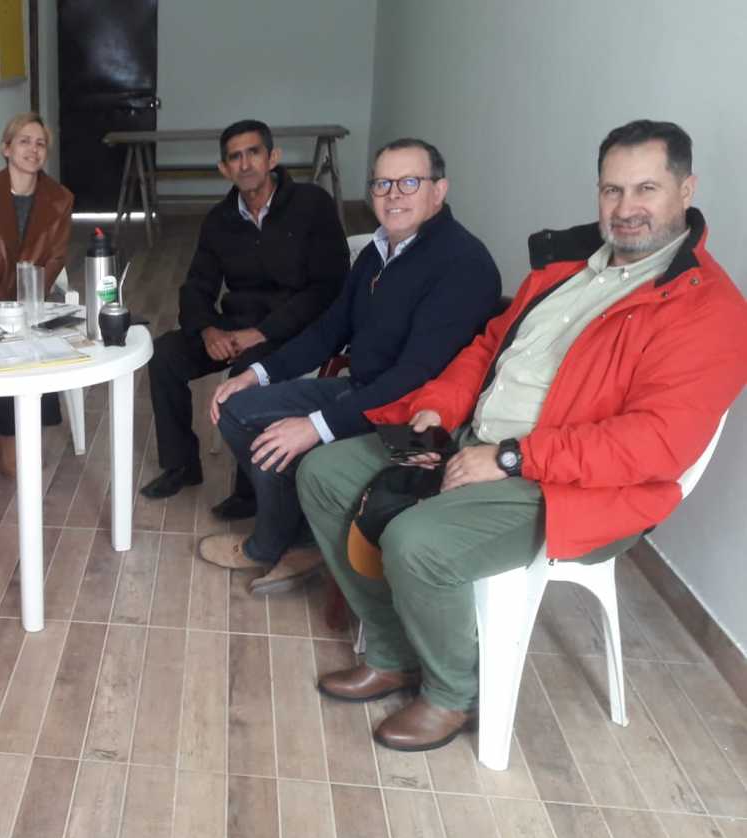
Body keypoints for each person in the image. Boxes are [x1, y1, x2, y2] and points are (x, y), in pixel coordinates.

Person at [298, 120, 747, 752]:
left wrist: (512, 457)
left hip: (569, 484)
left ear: (686, 189)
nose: (626, 208)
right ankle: (394, 653)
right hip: (472, 440)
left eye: (646, 189)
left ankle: (453, 693)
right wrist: (438, 407)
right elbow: (489, 348)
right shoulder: (566, 269)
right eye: (612, 190)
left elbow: (655, 444)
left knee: (417, 542)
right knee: (323, 474)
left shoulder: (710, 310)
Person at [197, 139, 500, 594]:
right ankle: (300, 537)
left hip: (416, 420)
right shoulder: (380, 249)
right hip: (362, 390)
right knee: (237, 408)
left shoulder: (462, 264)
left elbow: (413, 377)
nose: (393, 195)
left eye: (409, 182)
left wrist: (315, 426)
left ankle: (278, 543)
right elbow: (329, 330)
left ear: (439, 190)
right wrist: (254, 374)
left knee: (293, 441)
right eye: (382, 184)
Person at [140, 119, 349, 514]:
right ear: (224, 169)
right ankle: (181, 465)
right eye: (235, 157)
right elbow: (197, 285)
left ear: (273, 157)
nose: (246, 163)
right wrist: (207, 330)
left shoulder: (311, 205)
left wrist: (263, 332)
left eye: (254, 152)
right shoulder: (219, 220)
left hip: (296, 329)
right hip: (237, 326)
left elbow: (328, 287)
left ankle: (251, 490)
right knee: (164, 354)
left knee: (246, 373)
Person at [0, 112, 76, 475]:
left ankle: (31, 421)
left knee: (36, 336)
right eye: (24, 141)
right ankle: (11, 428)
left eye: (40, 143)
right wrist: (1, 306)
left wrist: (27, 303)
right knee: (10, 338)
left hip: (36, 298)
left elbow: (55, 257)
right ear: (6, 148)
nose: (33, 149)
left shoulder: (60, 198)